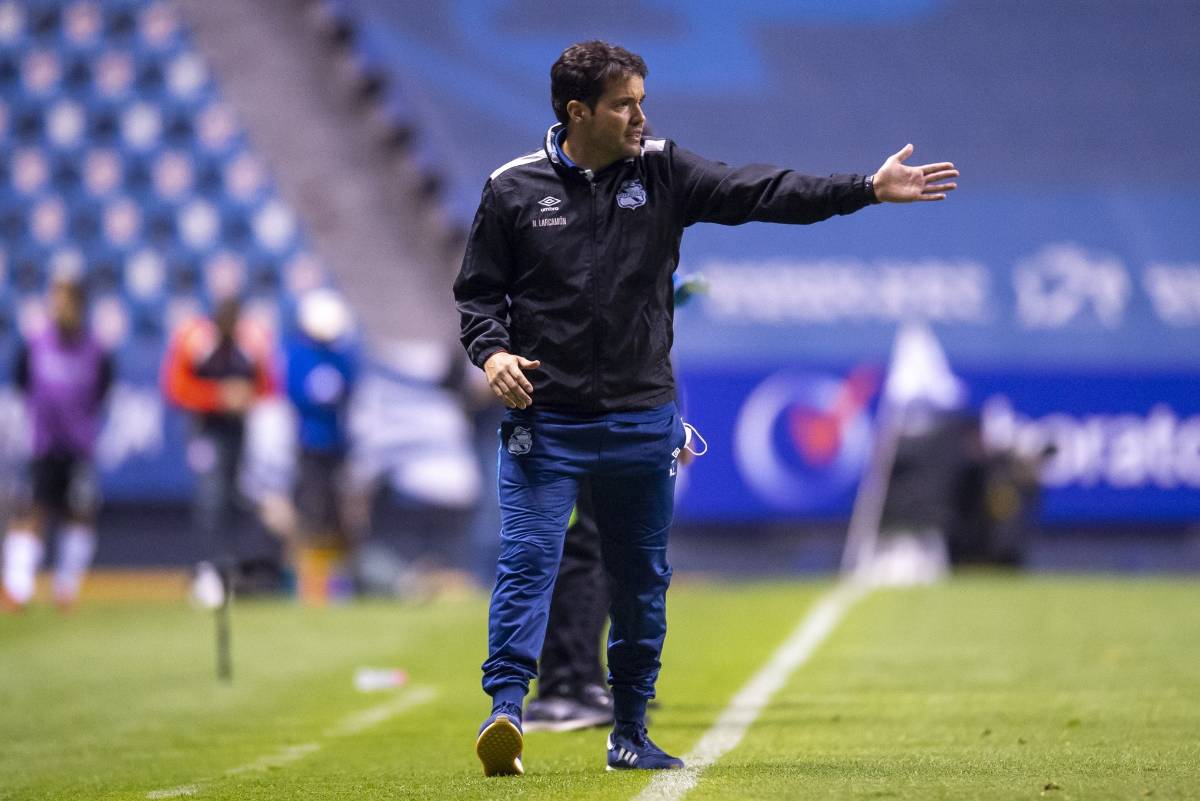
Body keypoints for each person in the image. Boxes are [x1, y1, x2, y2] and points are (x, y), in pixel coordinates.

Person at [454, 40, 957, 776]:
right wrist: (493, 352)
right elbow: (477, 295)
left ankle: (630, 730)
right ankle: (505, 708)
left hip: (640, 418)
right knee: (527, 563)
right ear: (577, 112)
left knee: (641, 583)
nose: (640, 116)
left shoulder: (663, 171)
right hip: (546, 422)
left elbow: (762, 191)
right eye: (624, 104)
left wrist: (866, 188)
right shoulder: (512, 189)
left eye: (641, 100)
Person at [524, 272, 707, 733]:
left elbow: (650, 341)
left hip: (605, 405)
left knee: (605, 545)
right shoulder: (613, 261)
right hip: (592, 409)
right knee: (590, 544)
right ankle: (566, 684)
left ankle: (581, 678)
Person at [2, 274, 113, 612]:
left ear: (80, 306)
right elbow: (23, 387)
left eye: (67, 302)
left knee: (78, 514)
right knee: (31, 511)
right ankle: (17, 588)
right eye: (56, 301)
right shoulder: (34, 346)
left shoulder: (95, 351)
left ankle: (66, 587)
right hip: (41, 446)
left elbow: (102, 393)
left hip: (79, 448)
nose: (60, 308)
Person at [161, 297, 275, 607]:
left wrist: (245, 395)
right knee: (210, 499)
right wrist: (218, 396)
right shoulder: (196, 340)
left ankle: (230, 568)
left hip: (237, 429)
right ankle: (207, 571)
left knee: (233, 499)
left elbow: (267, 384)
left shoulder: (251, 341)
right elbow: (176, 388)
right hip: (205, 429)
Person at [283, 288, 359, 604]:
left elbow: (350, 388)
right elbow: (298, 393)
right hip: (309, 447)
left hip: (337, 447)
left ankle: (339, 585)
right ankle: (307, 585)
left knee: (339, 517)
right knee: (310, 515)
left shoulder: (342, 357)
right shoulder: (299, 355)